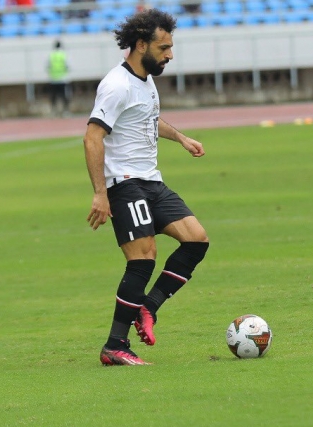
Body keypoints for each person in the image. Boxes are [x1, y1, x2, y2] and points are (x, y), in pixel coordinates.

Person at [83, 9, 209, 366]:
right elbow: (93, 138)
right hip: (124, 185)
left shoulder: (145, 80)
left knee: (196, 239)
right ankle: (115, 345)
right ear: (141, 45)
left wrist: (180, 138)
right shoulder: (116, 84)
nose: (170, 54)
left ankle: (147, 308)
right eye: (164, 47)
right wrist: (100, 193)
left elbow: (148, 120)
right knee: (143, 259)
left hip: (152, 181)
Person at [47, 40, 70, 116]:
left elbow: (48, 66)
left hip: (53, 79)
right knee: (64, 95)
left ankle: (54, 111)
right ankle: (65, 111)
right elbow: (68, 66)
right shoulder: (63, 54)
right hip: (63, 79)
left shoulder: (51, 55)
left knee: (53, 96)